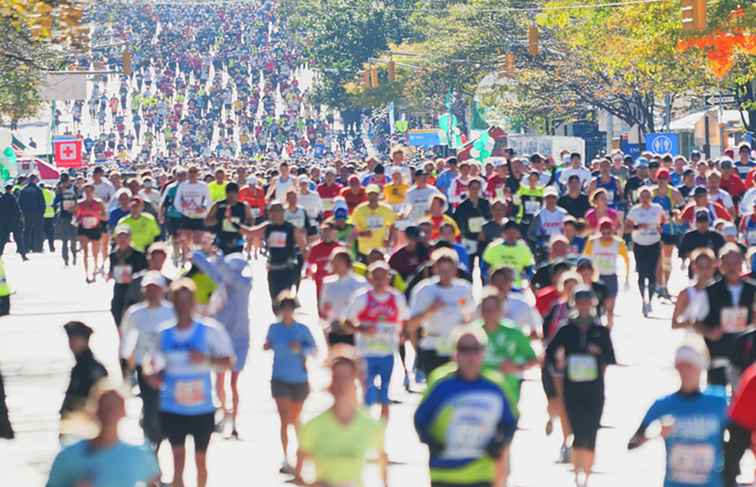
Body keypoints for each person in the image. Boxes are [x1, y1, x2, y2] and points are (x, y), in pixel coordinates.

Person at [146, 278, 233, 487]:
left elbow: (229, 361)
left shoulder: (210, 330)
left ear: (193, 303)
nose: (183, 306)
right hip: (172, 407)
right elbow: (151, 364)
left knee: (201, 461)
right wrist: (152, 376)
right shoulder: (164, 333)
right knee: (177, 461)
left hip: (201, 408)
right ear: (173, 303)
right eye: (179, 301)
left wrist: (207, 359)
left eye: (187, 301)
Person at [414, 325, 516, 487]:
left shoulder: (495, 385)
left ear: (483, 352)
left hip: (481, 472)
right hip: (445, 472)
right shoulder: (440, 382)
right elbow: (420, 420)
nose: (470, 356)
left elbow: (510, 422)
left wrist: (499, 443)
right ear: (455, 354)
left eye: (475, 349)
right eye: (464, 349)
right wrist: (433, 443)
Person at [628, 342, 728, 487]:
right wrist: (655, 434)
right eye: (682, 367)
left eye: (690, 367)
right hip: (675, 483)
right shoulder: (663, 405)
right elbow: (632, 443)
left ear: (700, 369)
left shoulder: (719, 401)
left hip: (711, 483)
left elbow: (739, 436)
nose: (686, 372)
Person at [545, 285, 616, 487]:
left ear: (593, 303)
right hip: (572, 387)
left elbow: (611, 357)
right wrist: (558, 368)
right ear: (574, 303)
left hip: (594, 388)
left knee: (591, 429)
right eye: (580, 301)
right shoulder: (566, 330)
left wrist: (597, 353)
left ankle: (587, 473)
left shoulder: (600, 331)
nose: (584, 305)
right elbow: (549, 353)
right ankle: (577, 475)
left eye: (587, 301)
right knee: (577, 429)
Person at [295, 346, 387, 487]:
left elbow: (382, 463)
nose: (341, 384)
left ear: (357, 382)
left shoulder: (371, 426)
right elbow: (300, 475)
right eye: (336, 378)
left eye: (347, 378)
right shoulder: (312, 426)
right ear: (330, 384)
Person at [191, 250, 252, 439]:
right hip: (222, 339)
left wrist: (217, 257)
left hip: (240, 340)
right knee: (219, 381)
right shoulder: (222, 284)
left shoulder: (244, 285)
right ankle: (225, 412)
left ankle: (234, 420)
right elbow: (207, 268)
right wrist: (196, 251)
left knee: (233, 383)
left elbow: (220, 272)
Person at [47, 390, 160, 487]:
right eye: (104, 407)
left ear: (123, 412)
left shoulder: (136, 455)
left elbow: (154, 481)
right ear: (95, 411)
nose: (109, 413)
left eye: (114, 408)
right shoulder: (70, 455)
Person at [343, 260, 410, 420]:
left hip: (387, 352)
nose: (380, 281)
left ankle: (381, 433)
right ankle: (366, 427)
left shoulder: (396, 298)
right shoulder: (362, 297)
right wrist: (361, 329)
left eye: (383, 277)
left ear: (389, 278)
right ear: (370, 278)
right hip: (366, 353)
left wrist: (404, 334)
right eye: (376, 277)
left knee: (385, 394)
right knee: (368, 393)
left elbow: (406, 319)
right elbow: (346, 322)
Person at [264, 292, 316, 476]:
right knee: (284, 418)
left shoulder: (302, 329)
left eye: (290, 308)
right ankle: (285, 457)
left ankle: (301, 453)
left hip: (299, 380)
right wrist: (267, 345)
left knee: (295, 418)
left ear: (294, 309)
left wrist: (300, 348)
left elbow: (314, 350)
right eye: (284, 308)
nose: (287, 312)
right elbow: (267, 343)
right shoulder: (274, 328)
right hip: (279, 378)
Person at [408, 248, 475, 378]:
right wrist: (430, 311)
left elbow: (471, 319)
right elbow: (411, 326)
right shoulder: (424, 290)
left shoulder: (464, 288)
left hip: (457, 348)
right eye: (441, 270)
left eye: (449, 270)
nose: (446, 275)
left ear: (455, 270)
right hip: (432, 346)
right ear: (434, 269)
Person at [477, 288, 537, 408]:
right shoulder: (472, 333)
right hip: (479, 392)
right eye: (486, 310)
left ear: (501, 311)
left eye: (493, 310)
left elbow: (533, 359)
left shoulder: (513, 332)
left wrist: (517, 367)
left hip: (508, 392)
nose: (489, 313)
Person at [582, 218, 630, 328]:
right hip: (596, 277)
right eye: (603, 233)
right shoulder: (592, 242)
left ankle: (609, 327)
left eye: (609, 232)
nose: (606, 235)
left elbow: (626, 260)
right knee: (596, 305)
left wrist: (626, 278)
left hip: (611, 277)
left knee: (610, 306)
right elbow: (585, 258)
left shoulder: (618, 243)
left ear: (613, 231)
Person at [626, 186, 665, 316]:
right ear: (639, 197)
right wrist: (638, 226)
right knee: (642, 272)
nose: (645, 198)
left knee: (652, 272)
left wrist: (661, 228)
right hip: (639, 244)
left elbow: (664, 222)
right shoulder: (634, 210)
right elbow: (627, 227)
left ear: (651, 197)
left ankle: (650, 301)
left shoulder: (657, 208)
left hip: (654, 243)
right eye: (642, 196)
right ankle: (643, 299)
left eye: (647, 196)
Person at [59, 321, 108, 421]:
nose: (71, 344)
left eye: (75, 339)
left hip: (85, 422)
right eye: (70, 339)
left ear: (85, 341)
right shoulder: (80, 367)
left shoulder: (92, 368)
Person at [319, 248, 368, 346]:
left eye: (337, 261)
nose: (333, 264)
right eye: (332, 261)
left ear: (346, 262)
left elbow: (365, 306)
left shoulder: (360, 282)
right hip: (334, 328)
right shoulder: (328, 283)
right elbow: (323, 306)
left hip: (354, 329)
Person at [107, 225, 148, 331]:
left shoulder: (139, 255)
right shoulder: (113, 255)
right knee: (117, 314)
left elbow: (146, 272)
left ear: (130, 238)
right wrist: (110, 275)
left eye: (125, 236)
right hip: (119, 290)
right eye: (120, 236)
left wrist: (133, 277)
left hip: (134, 291)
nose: (122, 239)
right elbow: (112, 270)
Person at [204, 182, 252, 255]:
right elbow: (207, 221)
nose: (231, 196)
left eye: (233, 193)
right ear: (226, 194)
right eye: (229, 193)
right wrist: (218, 219)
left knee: (235, 263)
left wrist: (243, 225)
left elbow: (250, 222)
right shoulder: (218, 205)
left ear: (237, 194)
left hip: (237, 240)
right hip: (221, 240)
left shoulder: (244, 206)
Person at [351, 184, 396, 261]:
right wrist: (363, 234)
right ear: (366, 195)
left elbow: (392, 226)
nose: (373, 197)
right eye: (370, 194)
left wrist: (389, 240)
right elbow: (353, 231)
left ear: (379, 195)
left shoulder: (387, 209)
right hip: (365, 250)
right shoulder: (359, 210)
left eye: (375, 194)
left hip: (381, 250)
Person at [75, 182, 107, 283]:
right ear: (83, 192)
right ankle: (86, 274)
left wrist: (96, 216)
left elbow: (105, 217)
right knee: (85, 252)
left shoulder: (98, 203)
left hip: (95, 227)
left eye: (90, 191)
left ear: (93, 192)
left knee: (95, 252)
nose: (88, 193)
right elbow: (77, 216)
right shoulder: (80, 203)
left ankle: (94, 272)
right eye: (86, 191)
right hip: (83, 228)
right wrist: (79, 219)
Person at [18, 174, 46, 253]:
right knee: (38, 231)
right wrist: (42, 213)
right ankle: (38, 248)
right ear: (35, 180)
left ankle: (26, 247)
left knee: (27, 230)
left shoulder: (24, 190)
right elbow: (42, 203)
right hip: (37, 214)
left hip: (27, 214)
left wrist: (23, 212)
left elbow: (20, 202)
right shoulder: (38, 190)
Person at [0, 183, 26, 260]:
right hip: (14, 222)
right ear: (11, 189)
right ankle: (23, 255)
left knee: (2, 239)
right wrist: (21, 221)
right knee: (19, 239)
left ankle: (0, 253)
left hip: (4, 222)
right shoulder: (13, 198)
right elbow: (18, 211)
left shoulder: (2, 199)